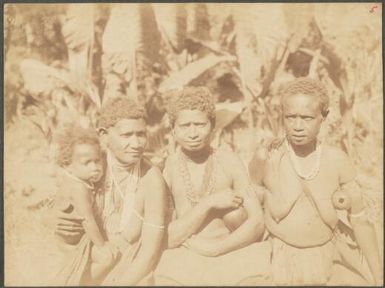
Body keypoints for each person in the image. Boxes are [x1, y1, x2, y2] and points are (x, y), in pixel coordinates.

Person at [249, 77, 383, 285]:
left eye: (307, 118)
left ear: (324, 116)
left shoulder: (336, 160)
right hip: (278, 255)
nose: (298, 126)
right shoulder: (268, 157)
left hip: (328, 255)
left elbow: (360, 220)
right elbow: (250, 204)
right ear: (281, 116)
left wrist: (379, 276)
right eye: (290, 117)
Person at [153, 87, 271, 286]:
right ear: (173, 130)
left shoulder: (228, 160)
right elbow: (168, 237)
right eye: (185, 126)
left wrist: (217, 249)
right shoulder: (169, 168)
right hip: (187, 252)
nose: (193, 133)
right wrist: (209, 203)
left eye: (200, 124)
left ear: (213, 126)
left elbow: (257, 222)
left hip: (232, 250)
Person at [52, 97, 167, 285]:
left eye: (141, 134)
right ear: (104, 135)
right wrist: (56, 219)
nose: (137, 143)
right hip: (90, 258)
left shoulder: (151, 178)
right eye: (127, 135)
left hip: (131, 263)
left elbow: (150, 252)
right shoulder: (91, 165)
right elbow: (64, 201)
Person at [52, 124, 119, 285]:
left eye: (97, 161)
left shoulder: (78, 181)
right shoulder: (78, 187)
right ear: (69, 165)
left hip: (74, 239)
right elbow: (87, 220)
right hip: (71, 243)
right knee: (109, 258)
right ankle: (81, 281)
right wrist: (102, 246)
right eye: (86, 163)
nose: (94, 167)